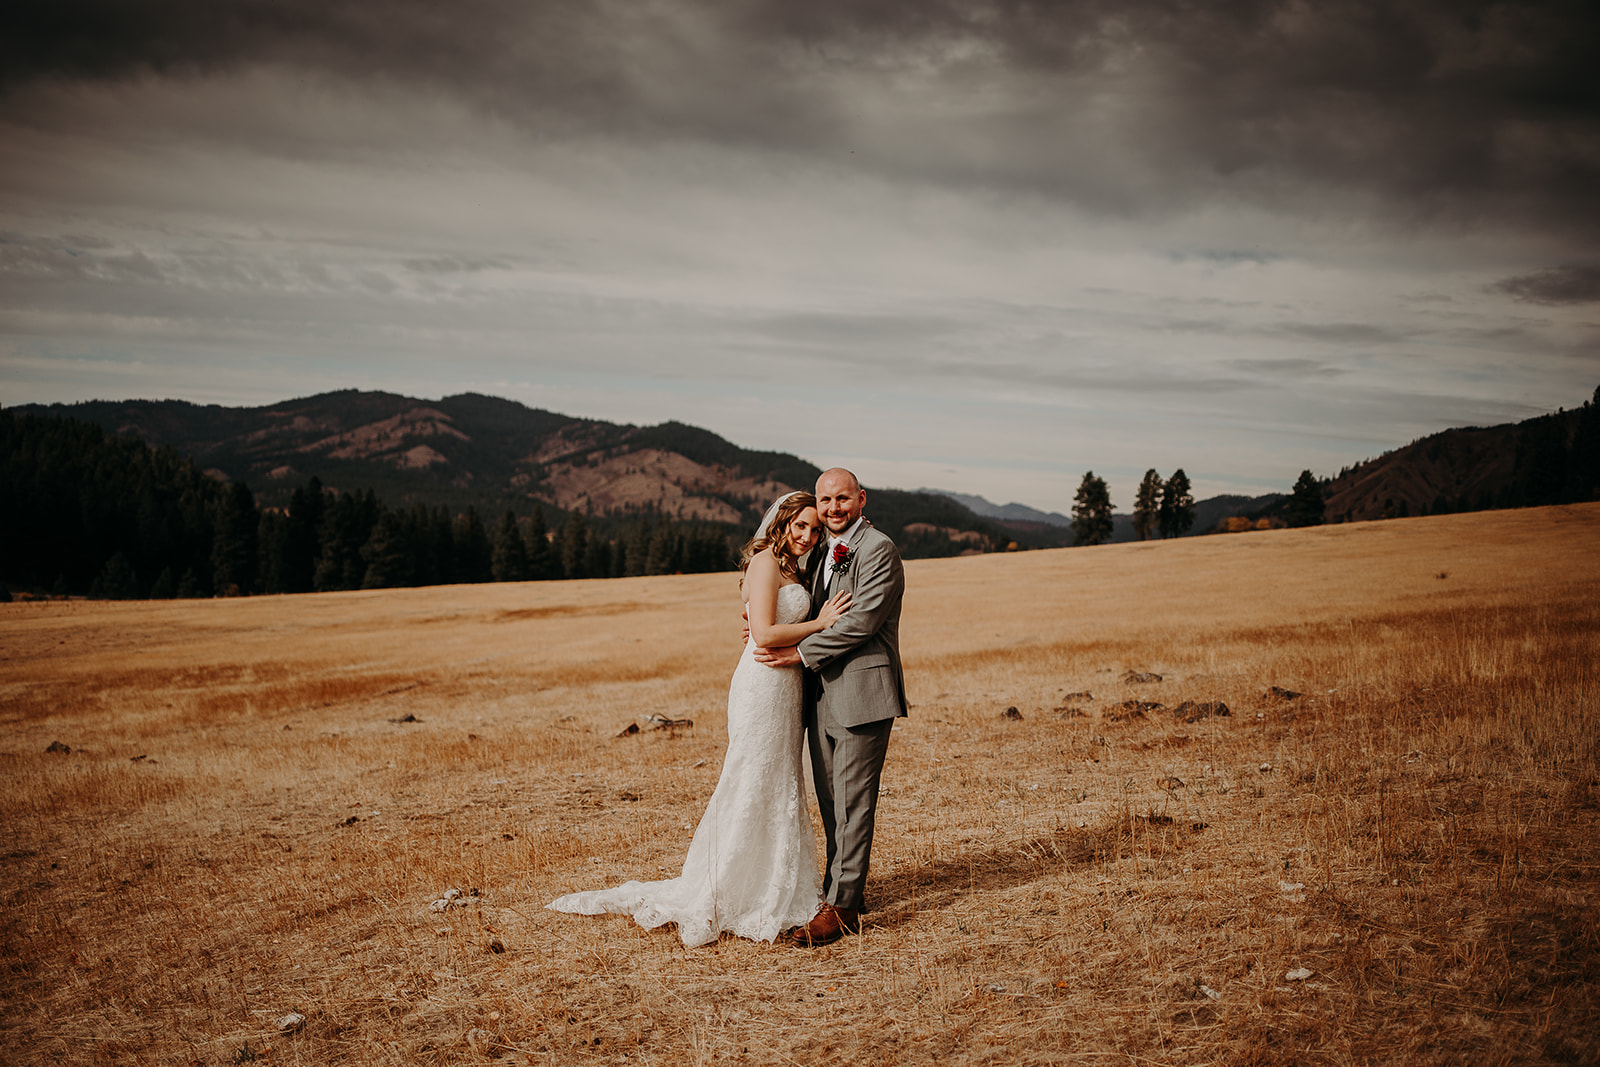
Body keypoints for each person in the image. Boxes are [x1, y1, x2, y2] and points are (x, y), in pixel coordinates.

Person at [546, 491, 851, 947]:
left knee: (779, 779)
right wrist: (819, 622)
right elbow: (765, 633)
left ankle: (774, 879)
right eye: (799, 526)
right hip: (762, 685)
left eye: (814, 528)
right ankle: (730, 884)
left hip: (786, 686)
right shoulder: (767, 561)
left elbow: (763, 621)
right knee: (751, 777)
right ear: (782, 523)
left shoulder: (792, 567)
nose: (808, 536)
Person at [754, 468, 908, 946]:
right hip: (819, 694)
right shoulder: (821, 548)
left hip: (861, 693)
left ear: (861, 499)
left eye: (843, 498)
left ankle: (841, 909)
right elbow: (799, 608)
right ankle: (845, 889)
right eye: (825, 500)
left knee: (854, 803)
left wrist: (798, 652)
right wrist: (765, 626)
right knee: (830, 800)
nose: (833, 508)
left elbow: (860, 622)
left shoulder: (878, 549)